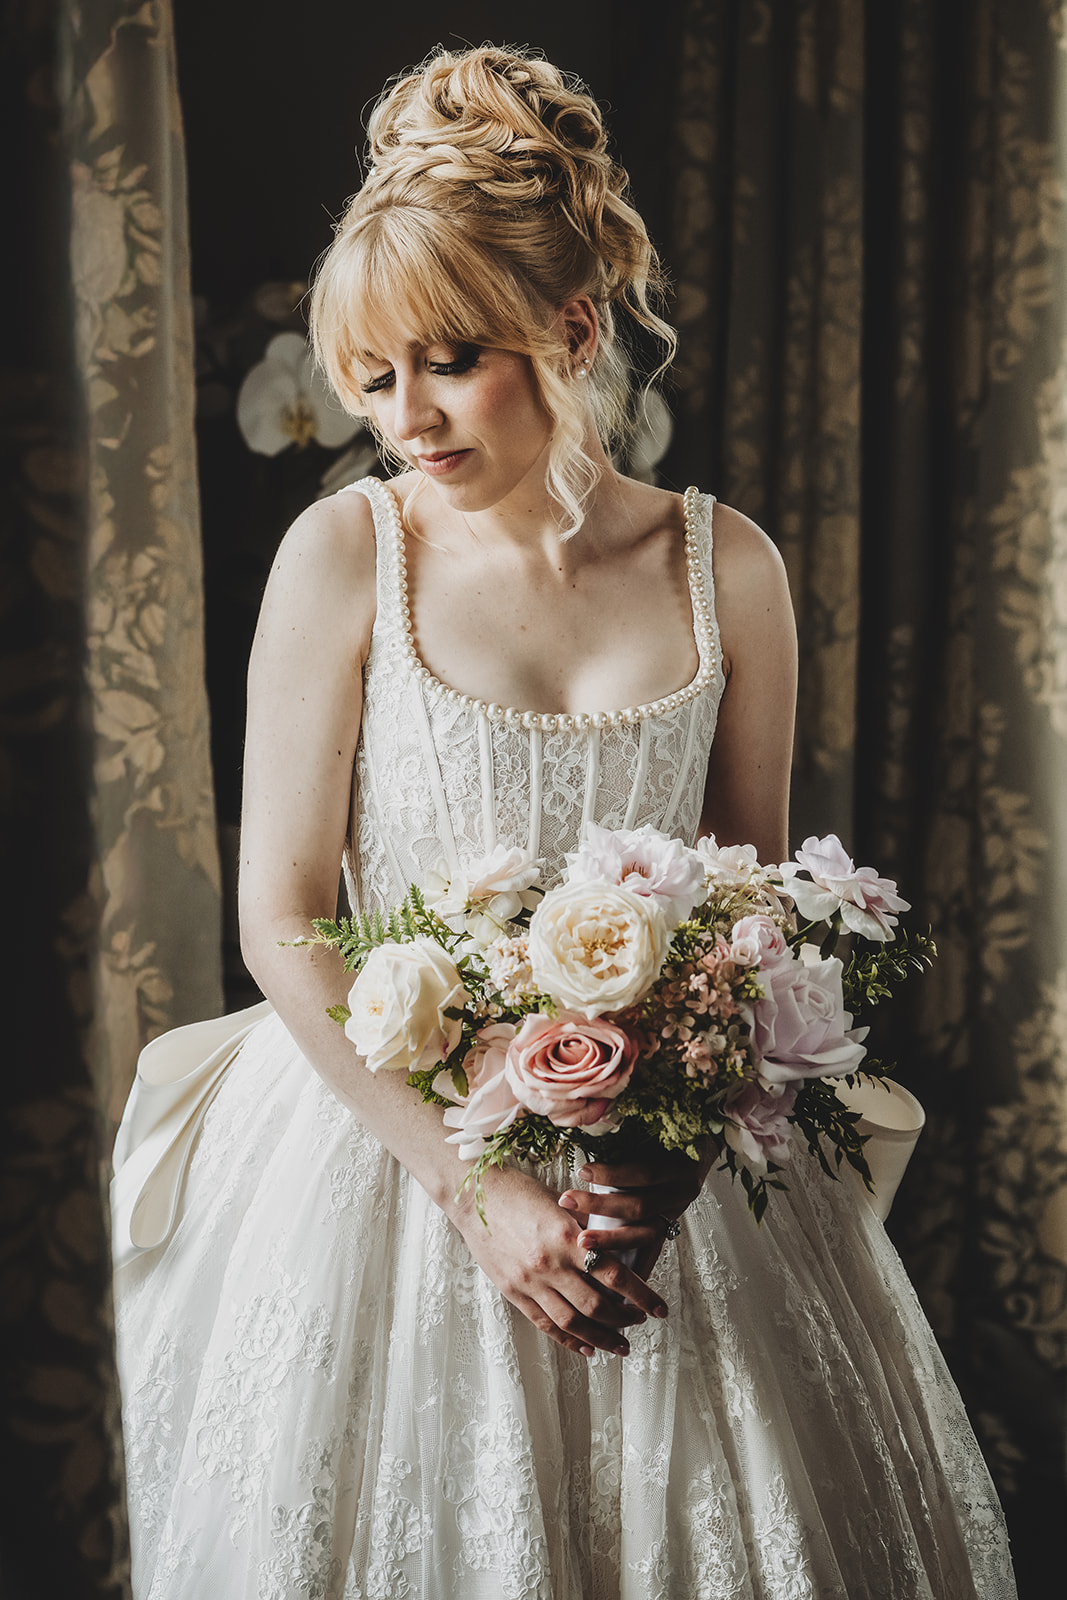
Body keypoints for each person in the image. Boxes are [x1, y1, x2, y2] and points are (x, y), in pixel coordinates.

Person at [111, 44, 1016, 1600]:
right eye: (372, 375)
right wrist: (480, 1191)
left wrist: (658, 1168)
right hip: (386, 1152)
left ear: (571, 329)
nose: (406, 418)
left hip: (663, 1169)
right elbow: (282, 916)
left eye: (448, 363)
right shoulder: (345, 557)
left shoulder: (729, 569)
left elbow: (748, 919)